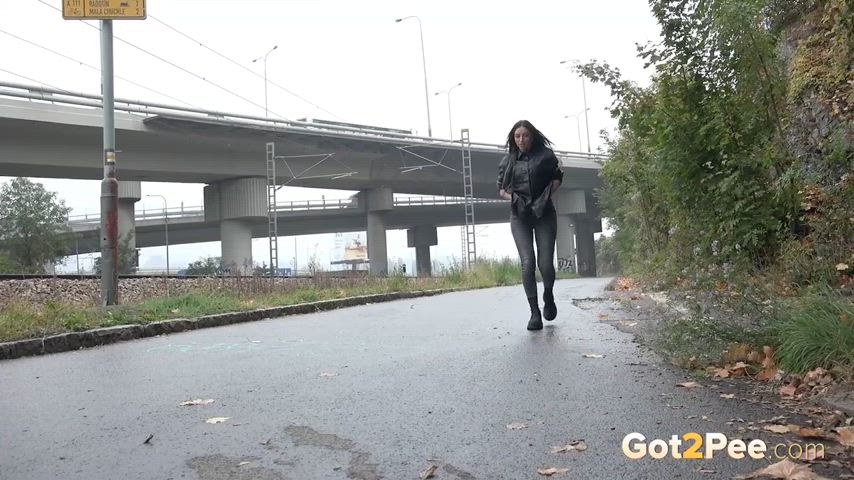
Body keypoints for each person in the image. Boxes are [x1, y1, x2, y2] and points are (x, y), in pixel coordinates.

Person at [497, 120, 563, 331]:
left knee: (545, 263)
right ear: (513, 138)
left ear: (532, 136)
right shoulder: (507, 161)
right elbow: (501, 189)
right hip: (519, 216)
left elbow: (557, 178)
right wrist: (513, 198)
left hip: (544, 213)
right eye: (517, 136)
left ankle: (548, 295)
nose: (521, 140)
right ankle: (534, 313)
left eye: (525, 135)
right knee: (527, 262)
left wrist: (546, 195)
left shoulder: (546, 156)